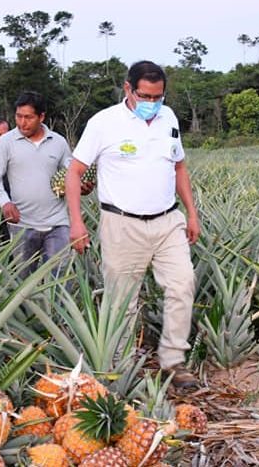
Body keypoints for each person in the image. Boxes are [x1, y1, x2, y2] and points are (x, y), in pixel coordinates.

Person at [65, 61, 201, 388]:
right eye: (145, 96)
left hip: (167, 220)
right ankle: (122, 367)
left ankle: (173, 361)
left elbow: (179, 167)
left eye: (158, 96)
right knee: (122, 300)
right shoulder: (103, 123)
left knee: (183, 284)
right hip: (122, 224)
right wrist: (76, 222)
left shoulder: (168, 118)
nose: (152, 103)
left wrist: (192, 212)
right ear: (128, 89)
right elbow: (74, 172)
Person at [0, 92, 86, 276]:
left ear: (41, 117)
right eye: (18, 116)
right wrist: (4, 201)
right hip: (22, 223)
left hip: (57, 222)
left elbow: (70, 174)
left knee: (59, 276)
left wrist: (83, 184)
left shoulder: (58, 142)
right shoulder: (6, 142)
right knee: (23, 278)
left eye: (28, 117)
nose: (22, 123)